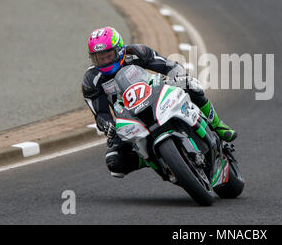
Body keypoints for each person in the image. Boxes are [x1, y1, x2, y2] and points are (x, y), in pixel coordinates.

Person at [82, 27, 237, 178]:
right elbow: (100, 112)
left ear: (120, 50)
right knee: (114, 162)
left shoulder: (136, 53)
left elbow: (168, 66)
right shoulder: (91, 80)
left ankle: (217, 124)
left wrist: (177, 74)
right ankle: (152, 158)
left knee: (190, 84)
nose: (104, 61)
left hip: (155, 94)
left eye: (108, 56)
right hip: (129, 116)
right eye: (98, 58)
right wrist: (107, 124)